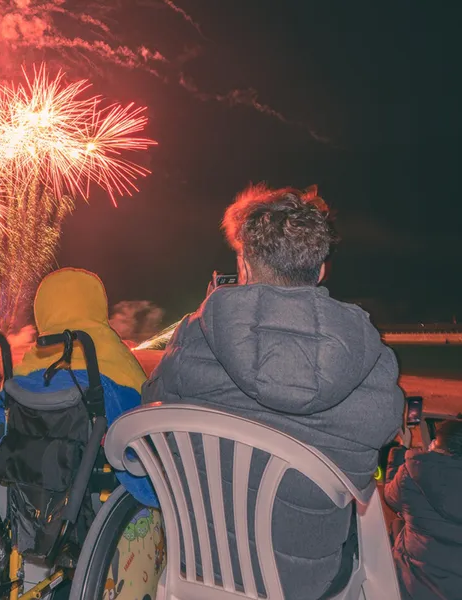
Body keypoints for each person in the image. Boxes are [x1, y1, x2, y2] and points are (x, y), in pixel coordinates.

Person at [142, 184, 404, 600]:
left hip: (200, 567)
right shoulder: (368, 353)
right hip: (304, 582)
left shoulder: (195, 334)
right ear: (319, 270)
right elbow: (383, 431)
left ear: (243, 265)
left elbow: (152, 407)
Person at [0, 267, 162, 598]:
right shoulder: (114, 359)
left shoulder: (30, 365)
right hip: (97, 489)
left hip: (37, 488)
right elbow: (140, 431)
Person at [385, 420, 462, 600]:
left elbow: (390, 497)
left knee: (397, 525)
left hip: (413, 584)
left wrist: (403, 448)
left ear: (436, 444)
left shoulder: (413, 471)